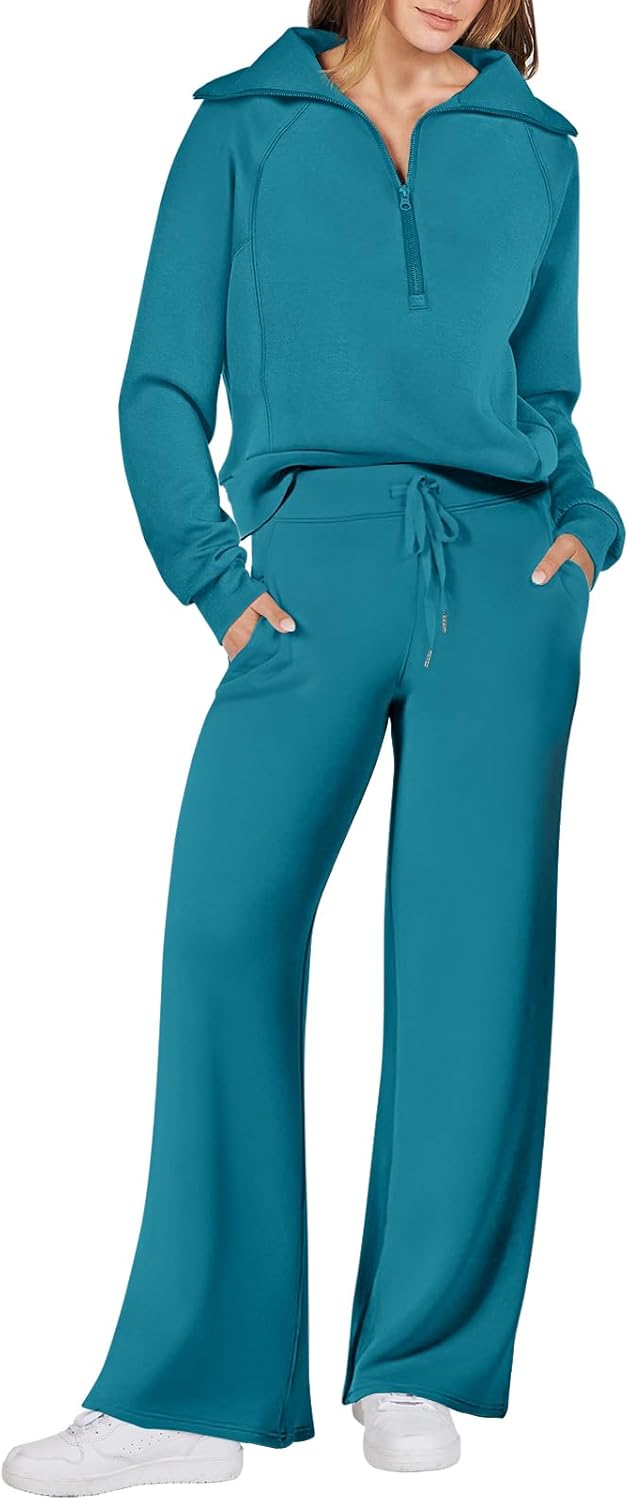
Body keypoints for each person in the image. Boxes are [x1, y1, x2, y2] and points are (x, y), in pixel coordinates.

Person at [3, 1, 624, 1488]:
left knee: (473, 966)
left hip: (505, 577)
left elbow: (543, 394)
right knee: (225, 928)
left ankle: (420, 1361)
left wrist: (586, 533)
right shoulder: (245, 125)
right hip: (307, 570)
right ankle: (188, 1399)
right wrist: (217, 584)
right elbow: (160, 387)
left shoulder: (536, 147)